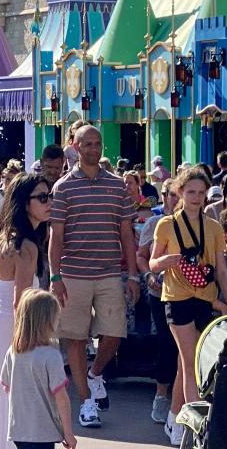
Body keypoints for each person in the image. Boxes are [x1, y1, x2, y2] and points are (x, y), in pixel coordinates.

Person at [48, 124, 140, 428]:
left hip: (110, 271)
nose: (93, 149)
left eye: (97, 143)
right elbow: (56, 235)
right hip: (73, 273)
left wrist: (134, 275)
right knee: (74, 337)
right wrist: (55, 275)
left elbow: (126, 232)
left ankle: (95, 373)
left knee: (115, 332)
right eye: (87, 144)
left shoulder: (116, 186)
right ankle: (86, 401)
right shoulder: (62, 187)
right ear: (76, 146)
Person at [150, 168, 227, 446]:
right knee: (191, 362)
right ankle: (195, 426)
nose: (197, 198)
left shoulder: (213, 227)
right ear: (180, 193)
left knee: (185, 363)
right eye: (191, 192)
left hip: (206, 297)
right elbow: (152, 262)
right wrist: (164, 263)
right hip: (176, 297)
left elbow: (221, 269)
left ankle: (176, 416)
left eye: (201, 193)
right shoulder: (165, 224)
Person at [0, 173, 50, 448]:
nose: (48, 202)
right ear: (24, 203)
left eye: (49, 195)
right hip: (8, 327)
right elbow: (22, 303)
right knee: (12, 410)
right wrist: (32, 347)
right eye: (42, 197)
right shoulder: (27, 247)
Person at [0, 289, 76, 449]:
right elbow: (61, 397)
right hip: (43, 431)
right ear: (47, 321)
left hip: (19, 429)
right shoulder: (52, 356)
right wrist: (68, 432)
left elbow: (7, 387)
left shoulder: (13, 351)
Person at [137, 176, 180, 425]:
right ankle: (161, 394)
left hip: (189, 293)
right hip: (160, 292)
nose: (171, 198)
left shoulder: (196, 222)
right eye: (167, 193)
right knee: (166, 342)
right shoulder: (153, 222)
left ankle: (180, 396)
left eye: (175, 193)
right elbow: (142, 256)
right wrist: (148, 275)